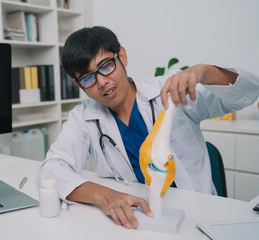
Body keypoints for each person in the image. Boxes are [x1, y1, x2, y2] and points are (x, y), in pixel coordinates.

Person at [37, 26, 259, 229]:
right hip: (137, 221)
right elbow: (52, 169)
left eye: (105, 66)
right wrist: (104, 196)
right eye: (87, 78)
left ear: (121, 56)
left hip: (195, 217)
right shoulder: (83, 118)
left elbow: (247, 93)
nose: (102, 82)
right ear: (78, 85)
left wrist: (203, 72)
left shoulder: (171, 90)